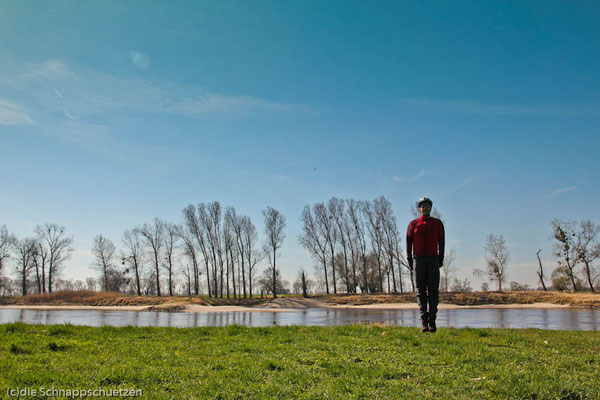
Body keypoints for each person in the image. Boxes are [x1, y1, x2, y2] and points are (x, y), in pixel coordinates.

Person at [406, 197, 445, 333]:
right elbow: (408, 243)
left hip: (433, 259)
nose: (425, 208)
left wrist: (440, 258)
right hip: (419, 260)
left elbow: (441, 242)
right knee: (420, 291)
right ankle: (424, 321)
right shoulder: (413, 224)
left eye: (428, 206)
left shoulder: (437, 223)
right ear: (419, 209)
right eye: (422, 206)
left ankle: (432, 321)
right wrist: (410, 259)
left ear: (431, 208)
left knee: (433, 291)